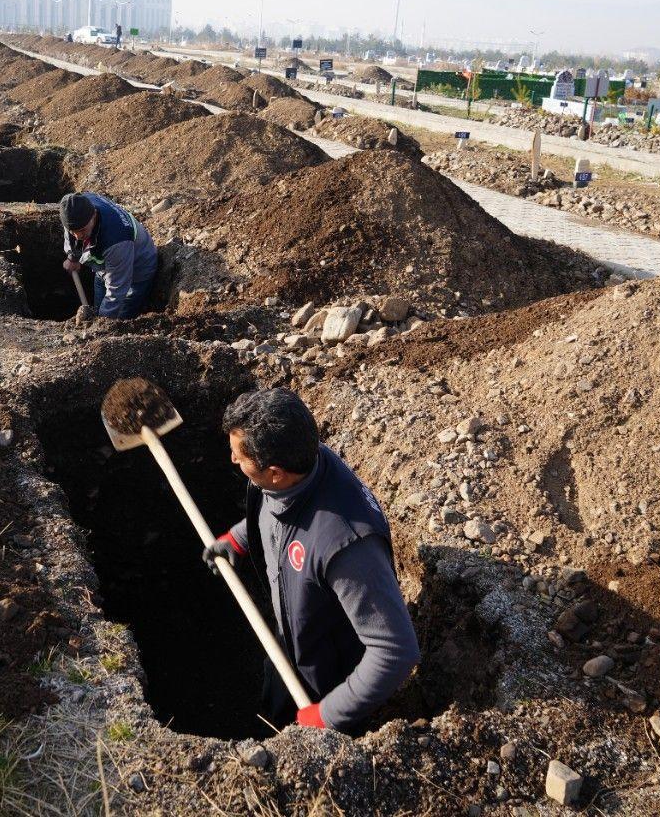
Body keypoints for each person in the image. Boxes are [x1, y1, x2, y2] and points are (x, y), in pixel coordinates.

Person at [203, 389, 419, 733]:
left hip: (326, 679)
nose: (232, 460)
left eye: (237, 456)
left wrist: (329, 713)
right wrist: (239, 537)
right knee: (273, 713)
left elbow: (395, 651)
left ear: (274, 472)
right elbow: (277, 508)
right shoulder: (299, 464)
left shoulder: (348, 547)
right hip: (290, 641)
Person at [59, 192, 157, 320]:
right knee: (99, 308)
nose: (78, 236)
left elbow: (116, 290)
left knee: (119, 317)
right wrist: (73, 257)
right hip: (106, 266)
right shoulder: (75, 210)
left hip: (137, 271)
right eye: (73, 231)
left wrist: (102, 323)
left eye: (82, 230)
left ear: (94, 214)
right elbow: (73, 232)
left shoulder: (116, 239)